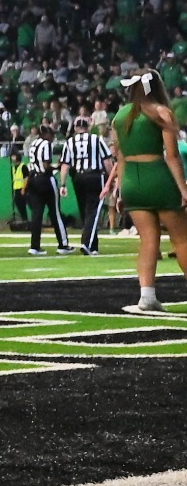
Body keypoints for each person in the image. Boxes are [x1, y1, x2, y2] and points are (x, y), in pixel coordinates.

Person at [108, 70, 187, 315]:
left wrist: (119, 192)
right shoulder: (161, 112)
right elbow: (172, 157)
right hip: (157, 176)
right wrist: (184, 189)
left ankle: (147, 296)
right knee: (182, 239)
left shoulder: (119, 117)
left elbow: (119, 157)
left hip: (131, 181)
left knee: (148, 240)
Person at [62, 116, 113, 255]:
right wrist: (112, 179)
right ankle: (87, 243)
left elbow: (65, 164)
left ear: (75, 128)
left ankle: (93, 245)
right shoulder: (96, 139)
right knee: (93, 211)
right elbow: (107, 161)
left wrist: (62, 183)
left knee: (85, 210)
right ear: (88, 127)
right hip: (94, 176)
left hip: (78, 177)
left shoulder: (70, 142)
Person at [21, 127, 73, 256]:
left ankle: (34, 246)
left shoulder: (33, 143)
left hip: (34, 179)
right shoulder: (46, 144)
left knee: (37, 215)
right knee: (55, 212)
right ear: (45, 134)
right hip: (45, 180)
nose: (53, 137)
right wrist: (58, 166)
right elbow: (46, 166)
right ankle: (63, 244)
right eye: (51, 134)